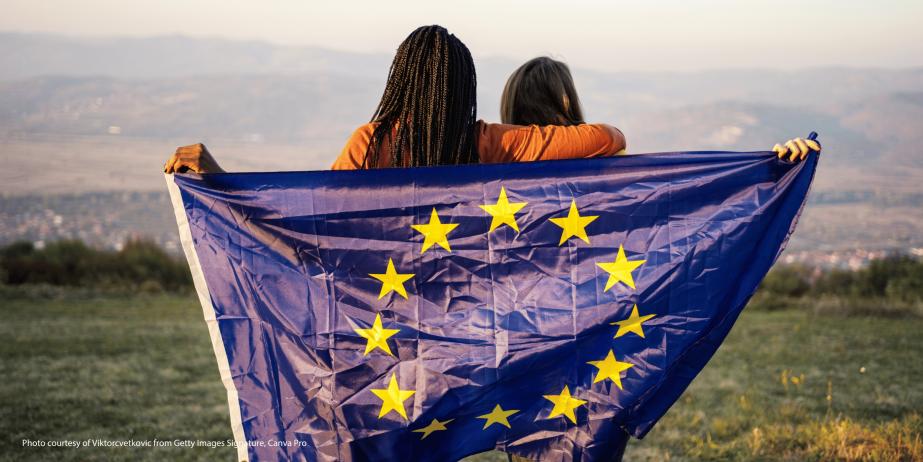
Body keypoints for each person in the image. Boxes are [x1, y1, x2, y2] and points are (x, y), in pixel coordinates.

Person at [163, 24, 818, 462]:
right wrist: (771, 165)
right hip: (473, 344)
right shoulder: (491, 144)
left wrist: (215, 179)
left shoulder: (371, 142)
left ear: (398, 79)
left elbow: (310, 229)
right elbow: (606, 139)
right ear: (464, 88)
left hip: (383, 347)